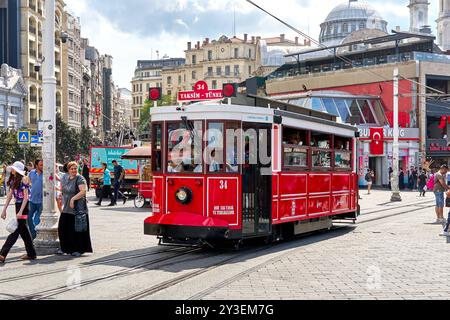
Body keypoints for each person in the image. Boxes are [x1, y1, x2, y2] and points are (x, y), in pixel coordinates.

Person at [0, 162, 37, 263]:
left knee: (15, 231)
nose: (12, 170)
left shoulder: (24, 180)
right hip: (18, 206)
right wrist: (4, 210)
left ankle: (2, 254)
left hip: (24, 207)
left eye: (14, 168)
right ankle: (31, 253)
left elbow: (26, 198)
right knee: (24, 231)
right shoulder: (13, 180)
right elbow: (9, 196)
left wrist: (20, 211)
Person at [57, 161, 93, 257]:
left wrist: (73, 199)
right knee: (62, 228)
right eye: (72, 169)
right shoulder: (66, 178)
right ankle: (64, 248)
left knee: (76, 230)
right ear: (68, 170)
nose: (74, 170)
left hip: (77, 208)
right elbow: (64, 190)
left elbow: (83, 191)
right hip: (66, 207)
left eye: (75, 168)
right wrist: (61, 195)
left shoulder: (80, 178)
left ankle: (78, 249)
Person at [28, 159, 44, 240]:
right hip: (32, 200)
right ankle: (33, 235)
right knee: (28, 217)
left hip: (42, 201)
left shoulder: (46, 174)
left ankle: (38, 235)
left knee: (37, 219)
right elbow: (29, 182)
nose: (42, 166)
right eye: (41, 165)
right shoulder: (31, 173)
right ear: (36, 165)